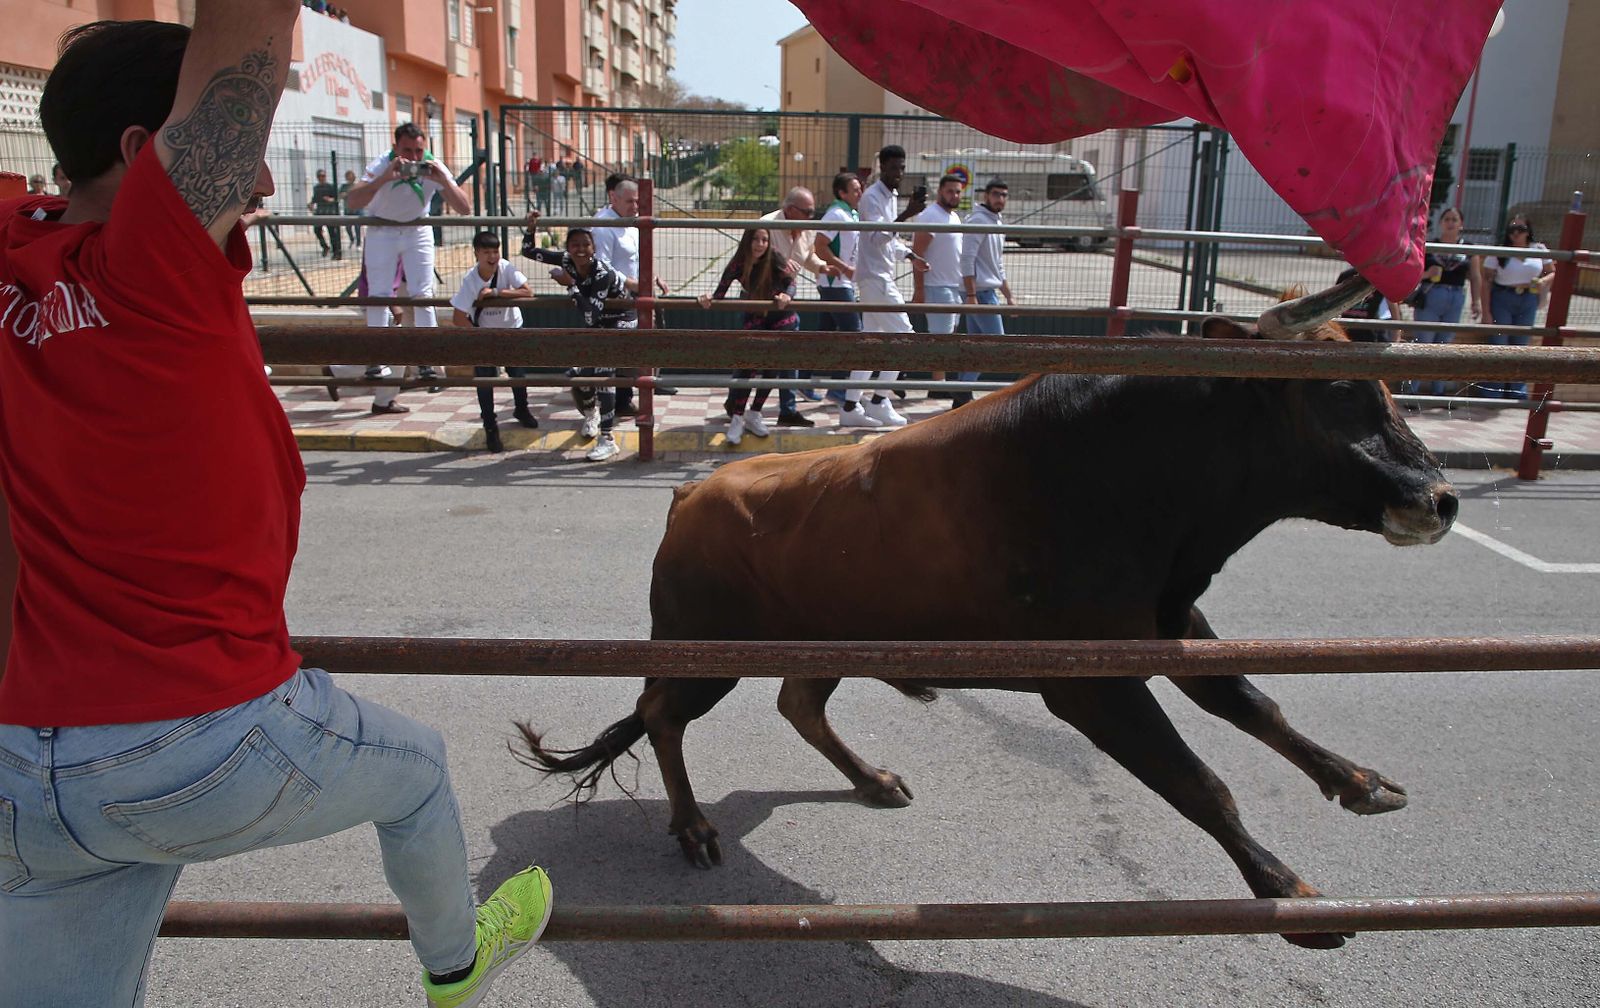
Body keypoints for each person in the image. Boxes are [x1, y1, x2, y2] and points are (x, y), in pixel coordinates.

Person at [0, 11, 551, 1008]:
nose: (259, 182)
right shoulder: (153, 260)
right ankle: (456, 967)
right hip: (191, 738)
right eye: (248, 146)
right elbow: (247, 24)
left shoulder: (14, 246)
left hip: (22, 759)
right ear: (143, 153)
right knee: (418, 772)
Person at [337, 121, 471, 413]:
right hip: (381, 229)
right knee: (379, 294)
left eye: (418, 151)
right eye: (407, 151)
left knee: (423, 293)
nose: (413, 158)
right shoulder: (382, 164)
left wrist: (444, 181)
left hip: (417, 230)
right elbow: (353, 200)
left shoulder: (432, 165)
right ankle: (376, 358)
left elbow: (464, 207)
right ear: (396, 147)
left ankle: (427, 359)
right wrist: (384, 178)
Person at [523, 223, 633, 461]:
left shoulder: (602, 273)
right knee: (578, 374)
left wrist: (570, 286)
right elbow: (528, 251)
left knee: (603, 372)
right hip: (599, 326)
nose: (580, 250)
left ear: (594, 248)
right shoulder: (566, 260)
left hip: (621, 322)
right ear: (568, 248)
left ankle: (608, 438)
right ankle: (592, 413)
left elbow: (590, 315)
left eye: (586, 245)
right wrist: (531, 228)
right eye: (575, 245)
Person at [698, 227, 803, 443]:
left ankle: (755, 413)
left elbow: (791, 283)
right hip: (755, 319)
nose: (760, 244)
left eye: (764, 240)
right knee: (748, 368)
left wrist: (786, 296)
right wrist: (707, 299)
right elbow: (720, 293)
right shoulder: (738, 263)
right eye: (755, 239)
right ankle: (737, 418)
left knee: (772, 368)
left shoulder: (774, 257)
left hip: (781, 319)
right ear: (747, 241)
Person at [848, 144, 926, 427]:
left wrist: (909, 255)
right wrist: (906, 215)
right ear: (882, 167)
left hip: (878, 277)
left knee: (872, 343)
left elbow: (887, 242)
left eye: (902, 168)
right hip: (876, 279)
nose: (899, 173)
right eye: (894, 168)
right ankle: (879, 401)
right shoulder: (872, 198)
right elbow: (876, 237)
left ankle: (850, 406)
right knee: (905, 338)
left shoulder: (888, 196)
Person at [588, 174, 674, 409]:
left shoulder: (632, 222)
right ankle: (621, 399)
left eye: (637, 201)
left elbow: (636, 256)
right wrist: (632, 284)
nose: (635, 206)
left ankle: (649, 381)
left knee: (649, 338)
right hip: (618, 296)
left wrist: (654, 276)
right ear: (613, 198)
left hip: (639, 290)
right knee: (624, 347)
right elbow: (602, 267)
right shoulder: (604, 226)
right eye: (629, 201)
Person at [452, 231, 538, 453]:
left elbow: (528, 292)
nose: (492, 256)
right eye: (486, 252)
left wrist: (496, 292)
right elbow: (458, 318)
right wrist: (478, 336)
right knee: (485, 381)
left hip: (511, 330)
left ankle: (522, 409)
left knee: (518, 375)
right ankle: (490, 426)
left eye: (495, 251)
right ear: (476, 254)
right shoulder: (470, 280)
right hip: (485, 335)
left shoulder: (506, 267)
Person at [752, 185, 829, 421]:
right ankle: (735, 404)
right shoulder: (766, 225)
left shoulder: (806, 230)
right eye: (807, 212)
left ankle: (788, 409)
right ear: (790, 210)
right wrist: (779, 265)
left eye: (813, 212)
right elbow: (751, 259)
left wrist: (822, 267)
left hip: (786, 299)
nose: (811, 217)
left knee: (789, 353)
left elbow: (808, 256)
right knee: (751, 356)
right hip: (760, 300)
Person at [812, 171, 877, 426]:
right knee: (854, 335)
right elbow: (820, 245)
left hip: (843, 283)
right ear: (842, 193)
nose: (860, 193)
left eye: (861, 188)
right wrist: (844, 268)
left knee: (824, 335)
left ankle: (802, 380)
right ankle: (839, 388)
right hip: (836, 284)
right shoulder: (836, 214)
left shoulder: (852, 214)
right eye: (855, 189)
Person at [1402, 206, 1481, 400]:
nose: (1450, 223)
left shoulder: (1469, 248)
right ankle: (1412, 392)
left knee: (1444, 345)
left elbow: (1476, 277)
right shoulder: (1429, 245)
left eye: (1454, 219)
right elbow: (1412, 272)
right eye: (1447, 219)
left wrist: (1476, 301)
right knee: (1424, 344)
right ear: (1441, 223)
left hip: (1456, 296)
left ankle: (1439, 391)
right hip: (1432, 295)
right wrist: (1428, 274)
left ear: (1461, 224)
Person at [911, 174, 970, 407]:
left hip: (953, 286)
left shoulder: (953, 217)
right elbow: (917, 254)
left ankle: (941, 382)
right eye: (950, 191)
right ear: (940, 192)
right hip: (936, 285)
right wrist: (919, 290)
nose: (954, 195)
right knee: (940, 339)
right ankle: (937, 385)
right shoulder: (930, 216)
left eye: (957, 191)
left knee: (949, 337)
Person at [1479, 218, 1553, 399]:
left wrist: (1543, 281)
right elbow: (1486, 281)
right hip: (1502, 297)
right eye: (1512, 229)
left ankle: (1517, 390)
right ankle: (1492, 390)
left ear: (1528, 231)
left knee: (1521, 344)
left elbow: (1552, 271)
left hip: (1528, 298)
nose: (1516, 233)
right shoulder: (1499, 251)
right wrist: (1486, 312)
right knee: (1499, 343)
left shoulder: (1538, 249)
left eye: (1520, 229)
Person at [961, 177, 1016, 339]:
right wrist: (971, 295)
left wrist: (1009, 296)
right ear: (986, 196)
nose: (1000, 199)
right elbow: (967, 259)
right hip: (980, 293)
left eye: (1004, 195)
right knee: (998, 343)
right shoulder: (978, 220)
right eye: (996, 194)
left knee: (977, 343)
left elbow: (997, 263)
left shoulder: (996, 222)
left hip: (985, 292)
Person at [308, 166, 341, 259]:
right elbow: (315, 198)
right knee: (317, 230)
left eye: (323, 176)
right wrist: (311, 204)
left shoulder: (330, 186)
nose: (321, 178)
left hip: (329, 211)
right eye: (319, 176)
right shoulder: (316, 188)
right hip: (320, 211)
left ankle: (336, 252)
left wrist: (331, 199)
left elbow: (337, 198)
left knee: (332, 232)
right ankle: (325, 246)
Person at [338, 166, 360, 247]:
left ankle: (358, 243)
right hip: (347, 209)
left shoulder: (357, 185)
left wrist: (347, 194)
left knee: (357, 227)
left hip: (356, 209)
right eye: (348, 177)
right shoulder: (343, 186)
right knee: (348, 227)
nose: (349, 178)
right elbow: (339, 196)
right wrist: (345, 194)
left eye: (351, 176)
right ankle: (352, 239)